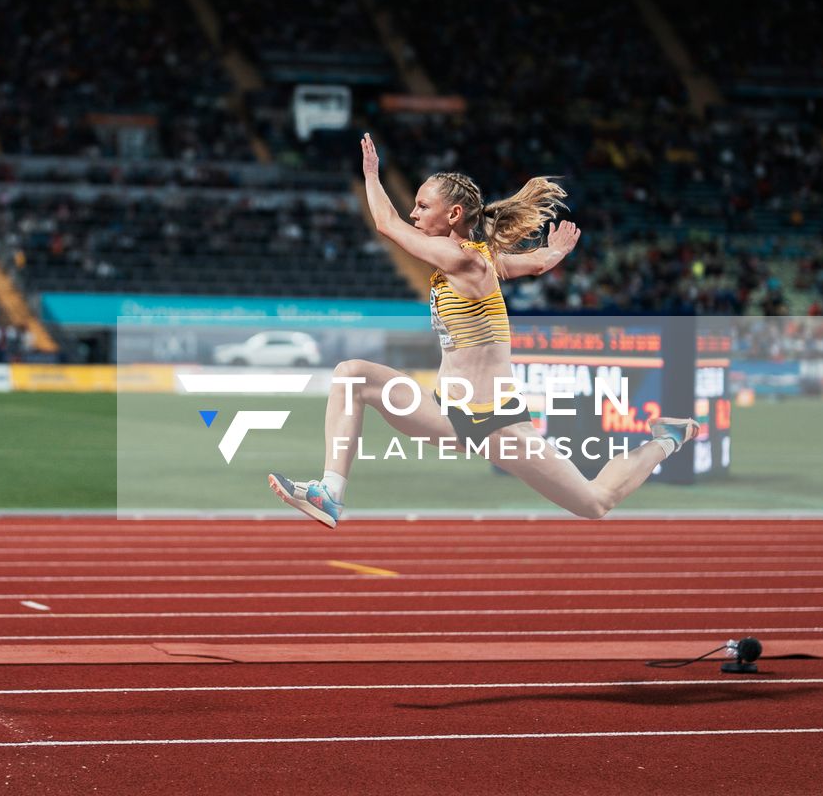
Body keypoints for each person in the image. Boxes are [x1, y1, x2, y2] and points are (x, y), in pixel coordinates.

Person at [268, 132, 698, 527]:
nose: (414, 213)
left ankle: (668, 439)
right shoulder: (473, 260)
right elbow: (522, 264)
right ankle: (331, 494)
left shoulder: (467, 261)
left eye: (422, 205)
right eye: (414, 205)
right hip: (446, 412)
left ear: (453, 214)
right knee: (351, 375)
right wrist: (548, 256)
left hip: (495, 423)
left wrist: (370, 174)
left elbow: (387, 225)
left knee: (595, 502)